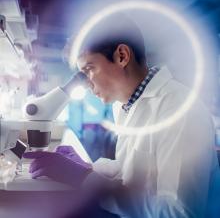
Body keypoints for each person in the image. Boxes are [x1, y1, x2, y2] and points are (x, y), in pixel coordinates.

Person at [23, 13, 220, 218]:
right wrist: (88, 166)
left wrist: (84, 177)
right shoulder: (125, 105)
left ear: (122, 56)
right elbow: (130, 171)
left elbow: (177, 213)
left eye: (89, 69)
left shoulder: (177, 109)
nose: (86, 83)